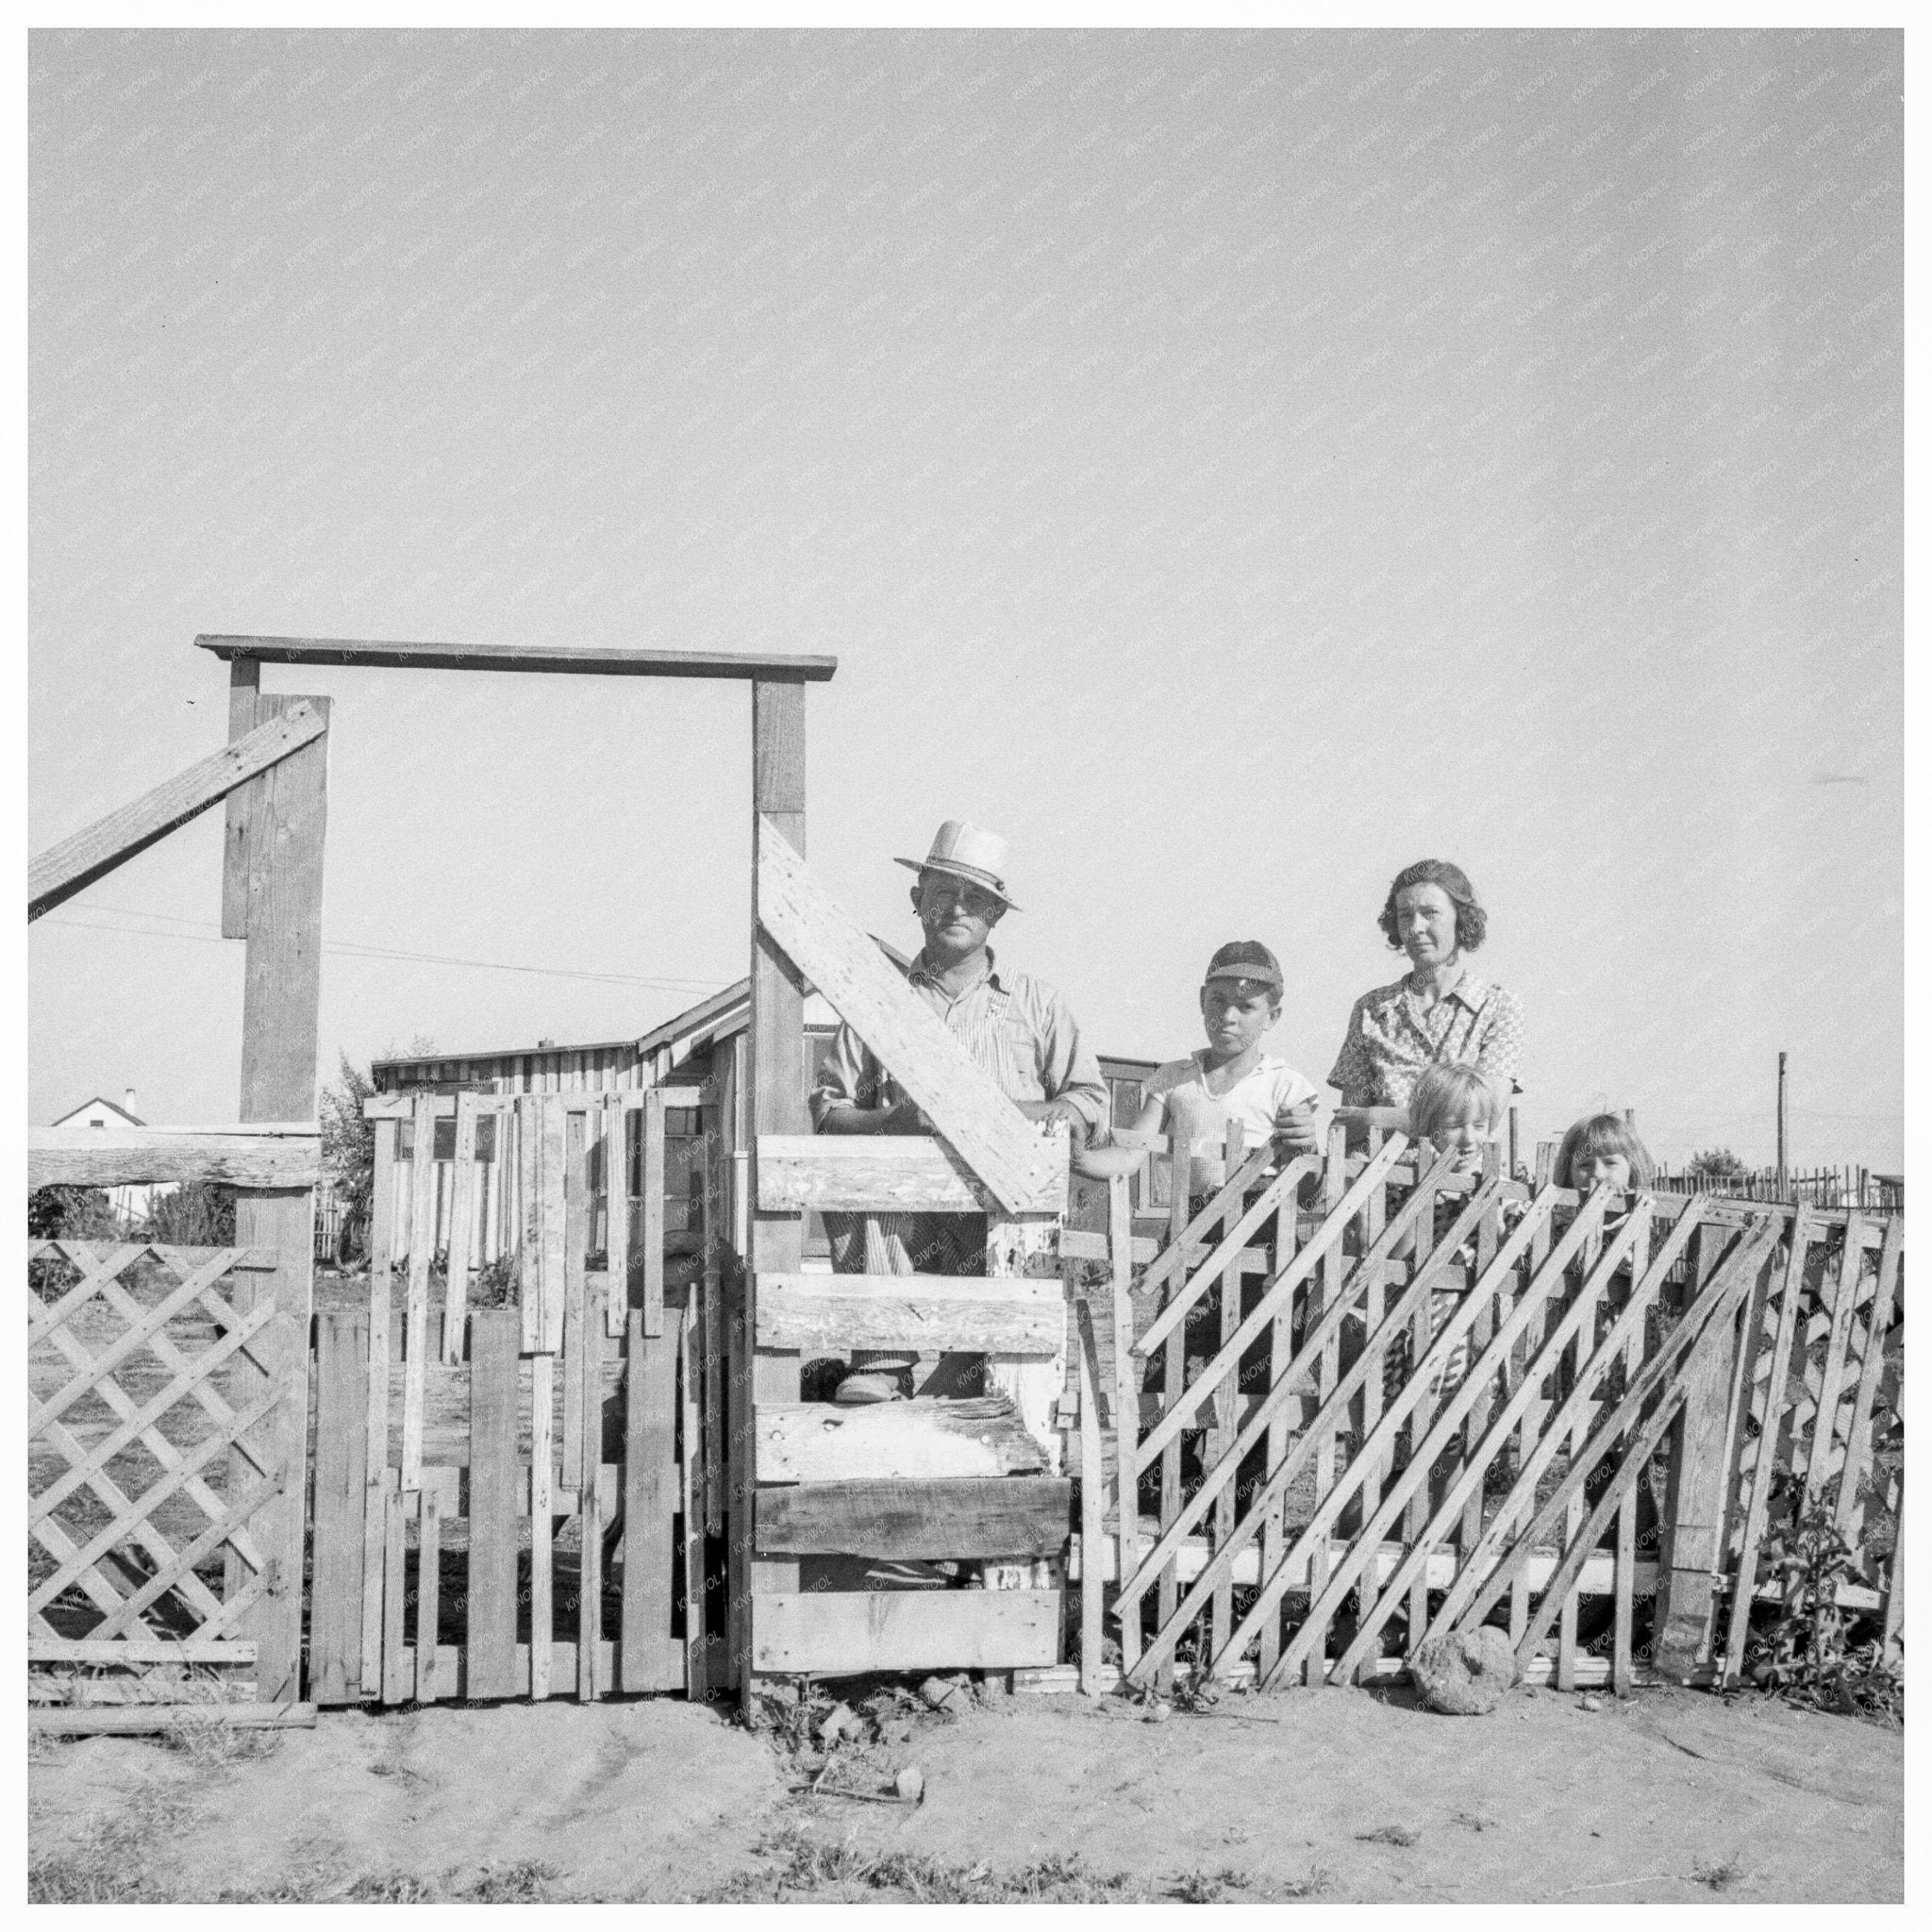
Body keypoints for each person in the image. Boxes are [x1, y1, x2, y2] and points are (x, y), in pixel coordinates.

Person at [809, 819, 1108, 1404]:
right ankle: (885, 1362)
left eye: (976, 898)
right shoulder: (878, 1002)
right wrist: (890, 1124)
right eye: (943, 892)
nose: (957, 908)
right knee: (865, 1192)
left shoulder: (1037, 1004)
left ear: (996, 914)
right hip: (906, 1216)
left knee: (994, 1329)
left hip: (1002, 1216)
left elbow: (1088, 1100)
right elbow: (827, 1112)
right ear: (917, 899)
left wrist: (1009, 1116)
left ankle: (961, 1378)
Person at [1328, 859, 1524, 1125]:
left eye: (1430, 913)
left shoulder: (1498, 1007)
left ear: (1461, 919)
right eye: (1405, 915)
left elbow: (1482, 1118)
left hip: (1460, 1168)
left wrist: (1377, 1116)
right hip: (1376, 1167)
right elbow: (1349, 1125)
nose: (1415, 927)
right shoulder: (1371, 1010)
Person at [1126, 941, 1324, 1200]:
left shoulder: (1284, 1085)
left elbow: (1306, 1194)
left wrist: (1307, 1147)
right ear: (1201, 1001)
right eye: (1218, 1000)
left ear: (1272, 1017)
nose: (1228, 1016)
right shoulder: (1173, 1078)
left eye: (1246, 1007)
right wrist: (1079, 1156)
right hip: (1186, 1227)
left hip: (1259, 1226)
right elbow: (1129, 1153)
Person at [1554, 1111, 1655, 1196]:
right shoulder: (1555, 1216)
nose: (1598, 1174)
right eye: (1585, 1165)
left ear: (1633, 1172)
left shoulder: (1641, 1215)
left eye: (1610, 1163)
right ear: (1568, 1175)